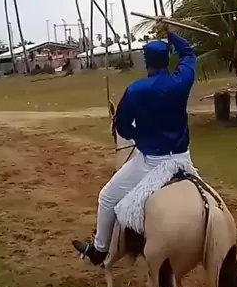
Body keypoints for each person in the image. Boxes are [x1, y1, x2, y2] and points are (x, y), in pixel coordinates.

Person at [72, 26, 196, 265]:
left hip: (152, 162)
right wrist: (172, 33)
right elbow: (189, 54)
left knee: (107, 197)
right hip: (184, 159)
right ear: (167, 59)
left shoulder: (136, 90)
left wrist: (139, 137)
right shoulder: (182, 81)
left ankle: (99, 250)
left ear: (146, 62)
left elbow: (121, 124)